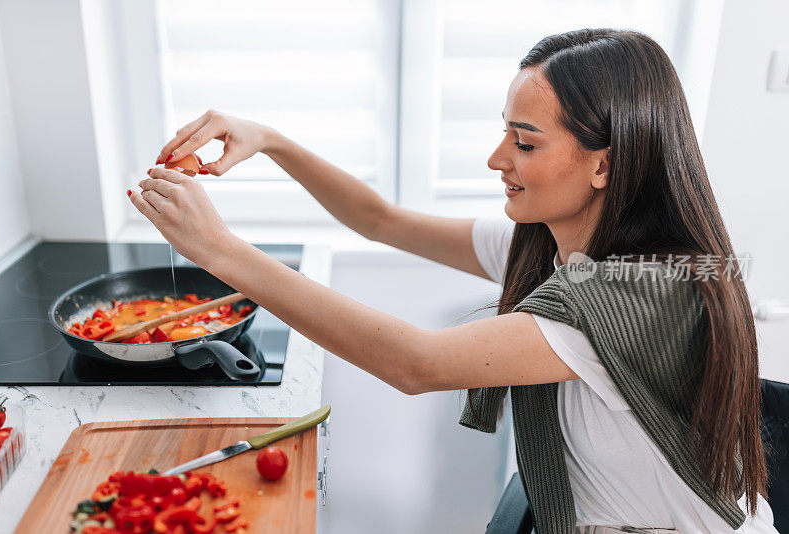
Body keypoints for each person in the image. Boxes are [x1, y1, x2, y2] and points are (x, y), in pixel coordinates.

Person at [131, 28, 777, 533]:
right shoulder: (552, 246)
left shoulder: (637, 295)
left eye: (525, 144)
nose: (498, 159)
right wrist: (272, 141)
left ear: (604, 165)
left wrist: (221, 252)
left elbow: (416, 363)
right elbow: (379, 220)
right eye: (505, 133)